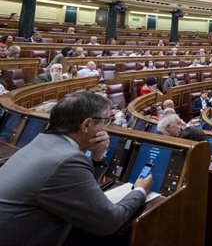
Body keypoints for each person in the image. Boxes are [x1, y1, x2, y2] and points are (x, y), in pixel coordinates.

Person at [0, 91, 151, 245]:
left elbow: (81, 193)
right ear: (86, 125)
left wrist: (97, 158)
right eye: (107, 121)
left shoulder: (42, 143)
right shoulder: (67, 160)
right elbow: (109, 222)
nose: (108, 127)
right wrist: (140, 191)